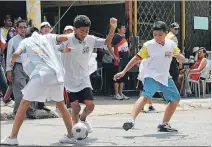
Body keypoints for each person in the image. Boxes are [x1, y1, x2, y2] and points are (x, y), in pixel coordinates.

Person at [1, 27, 76, 145]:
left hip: (41, 75)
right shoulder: (47, 37)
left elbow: (16, 53)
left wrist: (12, 61)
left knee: (24, 103)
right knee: (61, 105)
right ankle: (71, 135)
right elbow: (64, 37)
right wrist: (78, 33)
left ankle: (12, 137)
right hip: (57, 75)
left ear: (27, 35)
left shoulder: (26, 41)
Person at [114, 21, 185, 132]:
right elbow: (136, 58)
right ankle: (131, 120)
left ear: (166, 33)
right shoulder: (149, 45)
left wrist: (180, 57)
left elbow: (180, 56)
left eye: (160, 35)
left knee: (175, 99)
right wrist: (123, 71)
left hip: (165, 77)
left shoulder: (171, 44)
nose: (157, 37)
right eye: (155, 34)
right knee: (145, 97)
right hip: (151, 75)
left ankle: (164, 124)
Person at [60, 15, 117, 133]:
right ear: (75, 29)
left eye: (87, 31)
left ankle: (83, 119)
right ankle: (75, 133)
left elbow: (107, 42)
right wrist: (62, 50)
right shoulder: (66, 39)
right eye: (81, 31)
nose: (84, 33)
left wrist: (113, 28)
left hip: (84, 78)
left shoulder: (90, 39)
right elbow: (53, 49)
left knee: (90, 105)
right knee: (75, 108)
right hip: (69, 80)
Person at [107, 22, 130, 100]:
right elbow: (109, 45)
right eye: (123, 27)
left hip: (125, 60)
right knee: (117, 78)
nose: (125, 29)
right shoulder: (116, 36)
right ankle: (116, 94)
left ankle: (121, 93)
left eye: (125, 27)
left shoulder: (123, 37)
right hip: (118, 60)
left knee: (123, 78)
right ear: (118, 29)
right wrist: (114, 56)